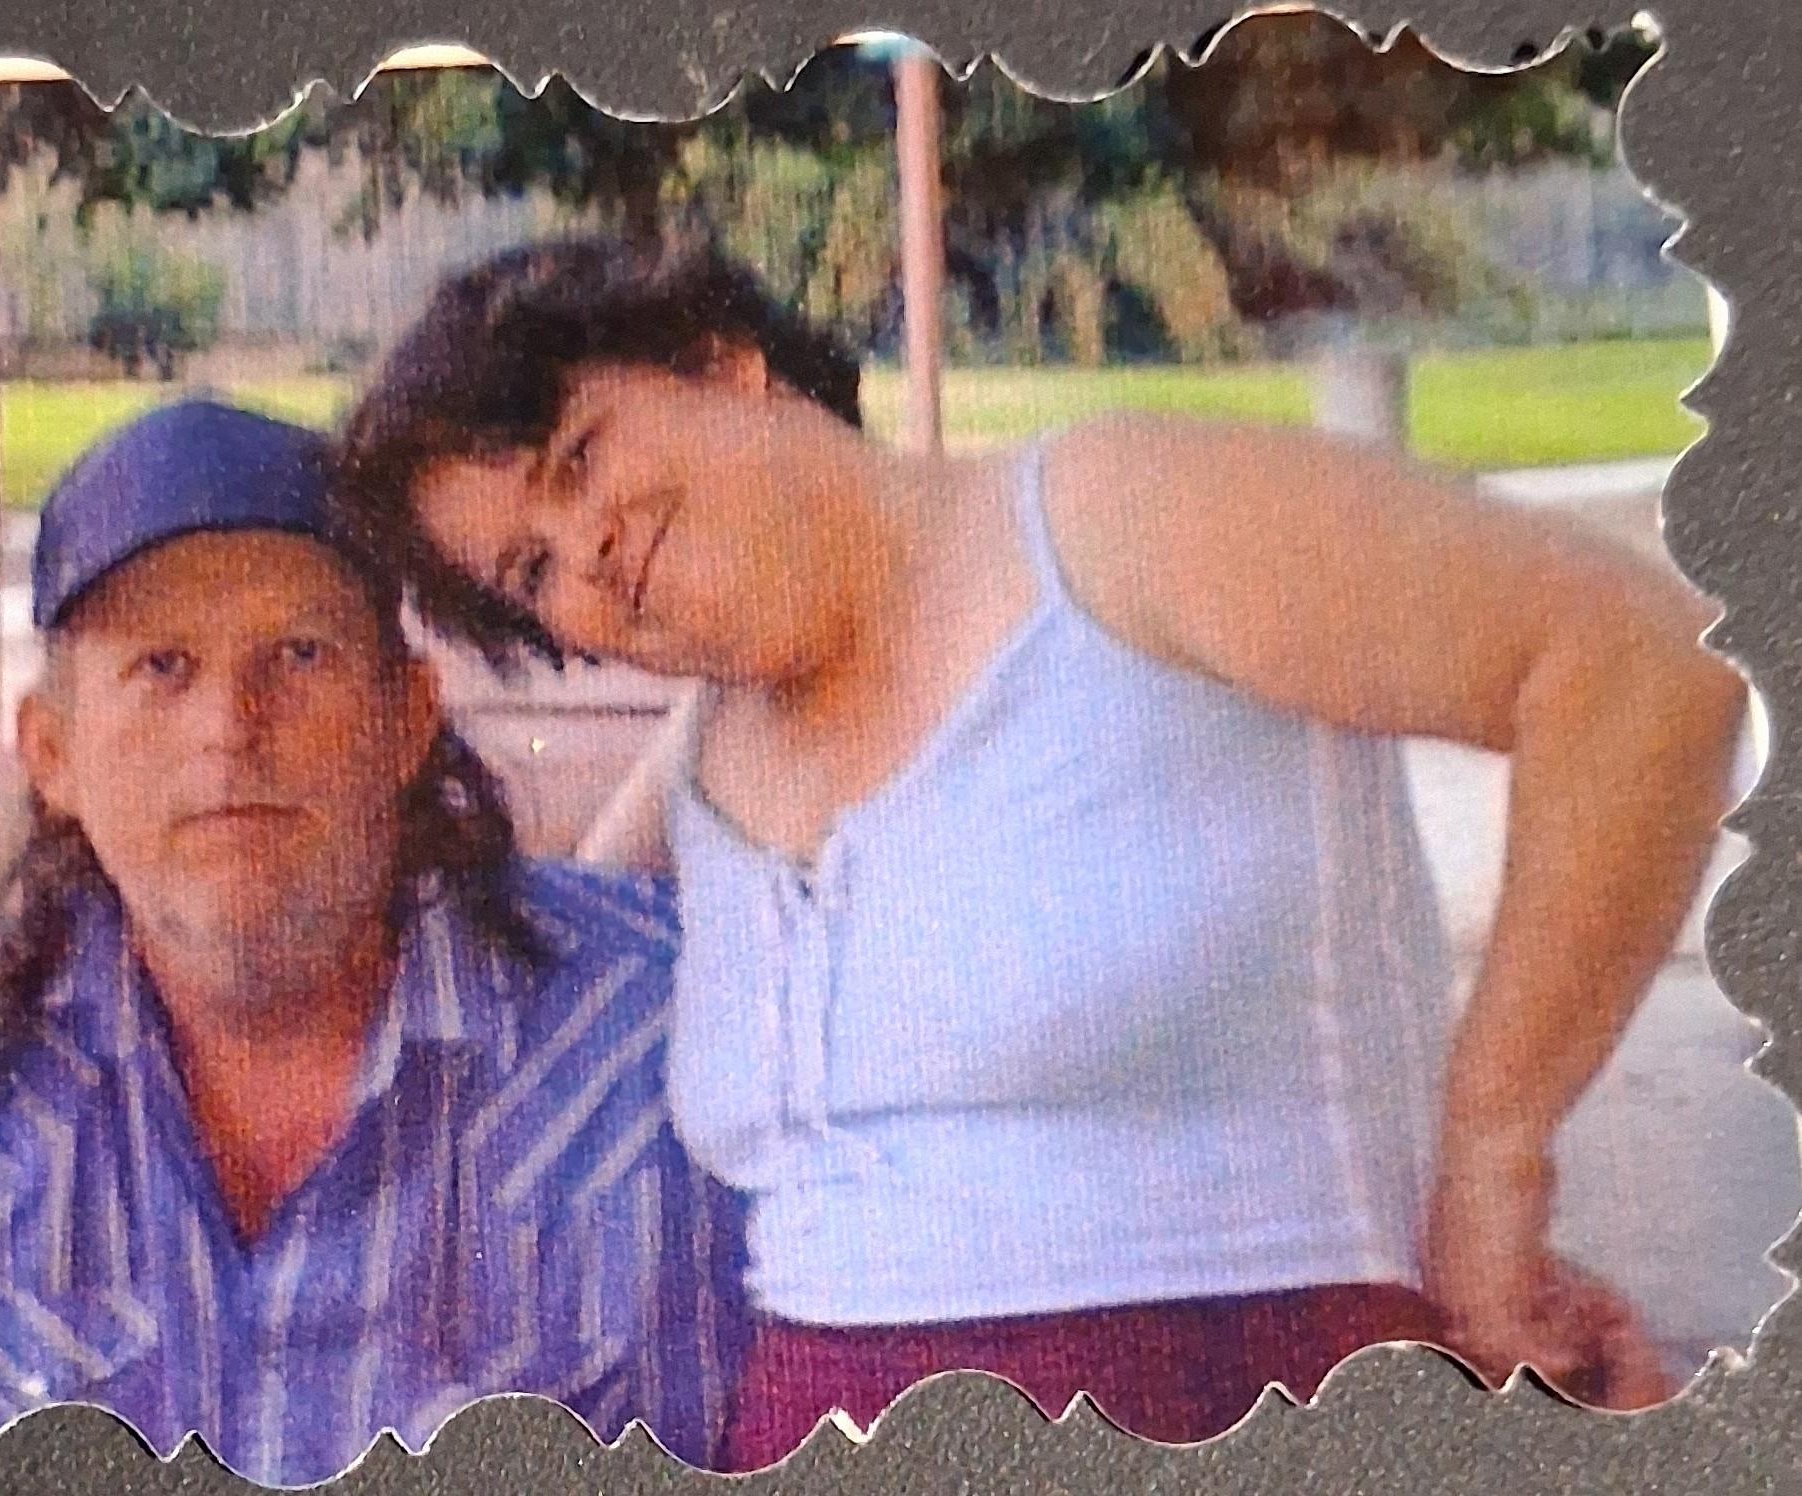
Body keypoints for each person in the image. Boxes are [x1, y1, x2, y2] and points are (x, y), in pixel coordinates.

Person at [330, 238, 1749, 1464]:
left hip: (1238, 1399)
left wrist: (1496, 1163)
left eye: (582, 458)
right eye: (530, 570)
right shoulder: (704, 760)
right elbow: (538, 975)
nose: (591, 551)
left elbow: (1635, 669)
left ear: (725, 363)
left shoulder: (1108, 524)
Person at [0, 399, 748, 1491]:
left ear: (409, 716)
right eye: (161, 667)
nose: (231, 728)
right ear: (52, 753)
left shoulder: (672, 1035)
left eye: (299, 656)